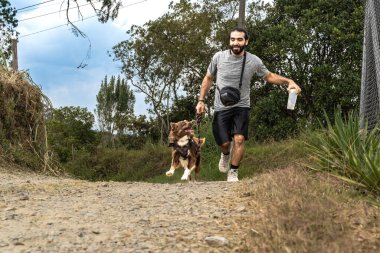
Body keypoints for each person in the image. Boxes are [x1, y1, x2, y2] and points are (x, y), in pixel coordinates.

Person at [196, 27, 301, 182]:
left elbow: (269, 76)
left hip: (242, 105)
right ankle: (225, 154)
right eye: (233, 39)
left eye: (239, 39)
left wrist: (289, 81)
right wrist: (201, 100)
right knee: (224, 143)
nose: (235, 43)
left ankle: (233, 172)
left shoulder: (254, 61)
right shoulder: (219, 57)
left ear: (246, 41)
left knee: (239, 139)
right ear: (229, 41)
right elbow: (208, 78)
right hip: (221, 107)